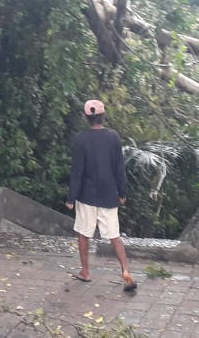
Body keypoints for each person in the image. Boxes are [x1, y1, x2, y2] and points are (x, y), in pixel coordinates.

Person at [64, 99, 137, 291]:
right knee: (114, 236)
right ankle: (125, 271)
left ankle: (85, 272)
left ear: (86, 117)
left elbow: (77, 171)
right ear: (103, 116)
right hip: (108, 194)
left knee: (83, 233)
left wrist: (71, 198)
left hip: (86, 195)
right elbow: (119, 168)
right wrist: (122, 193)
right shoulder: (113, 137)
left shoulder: (80, 139)